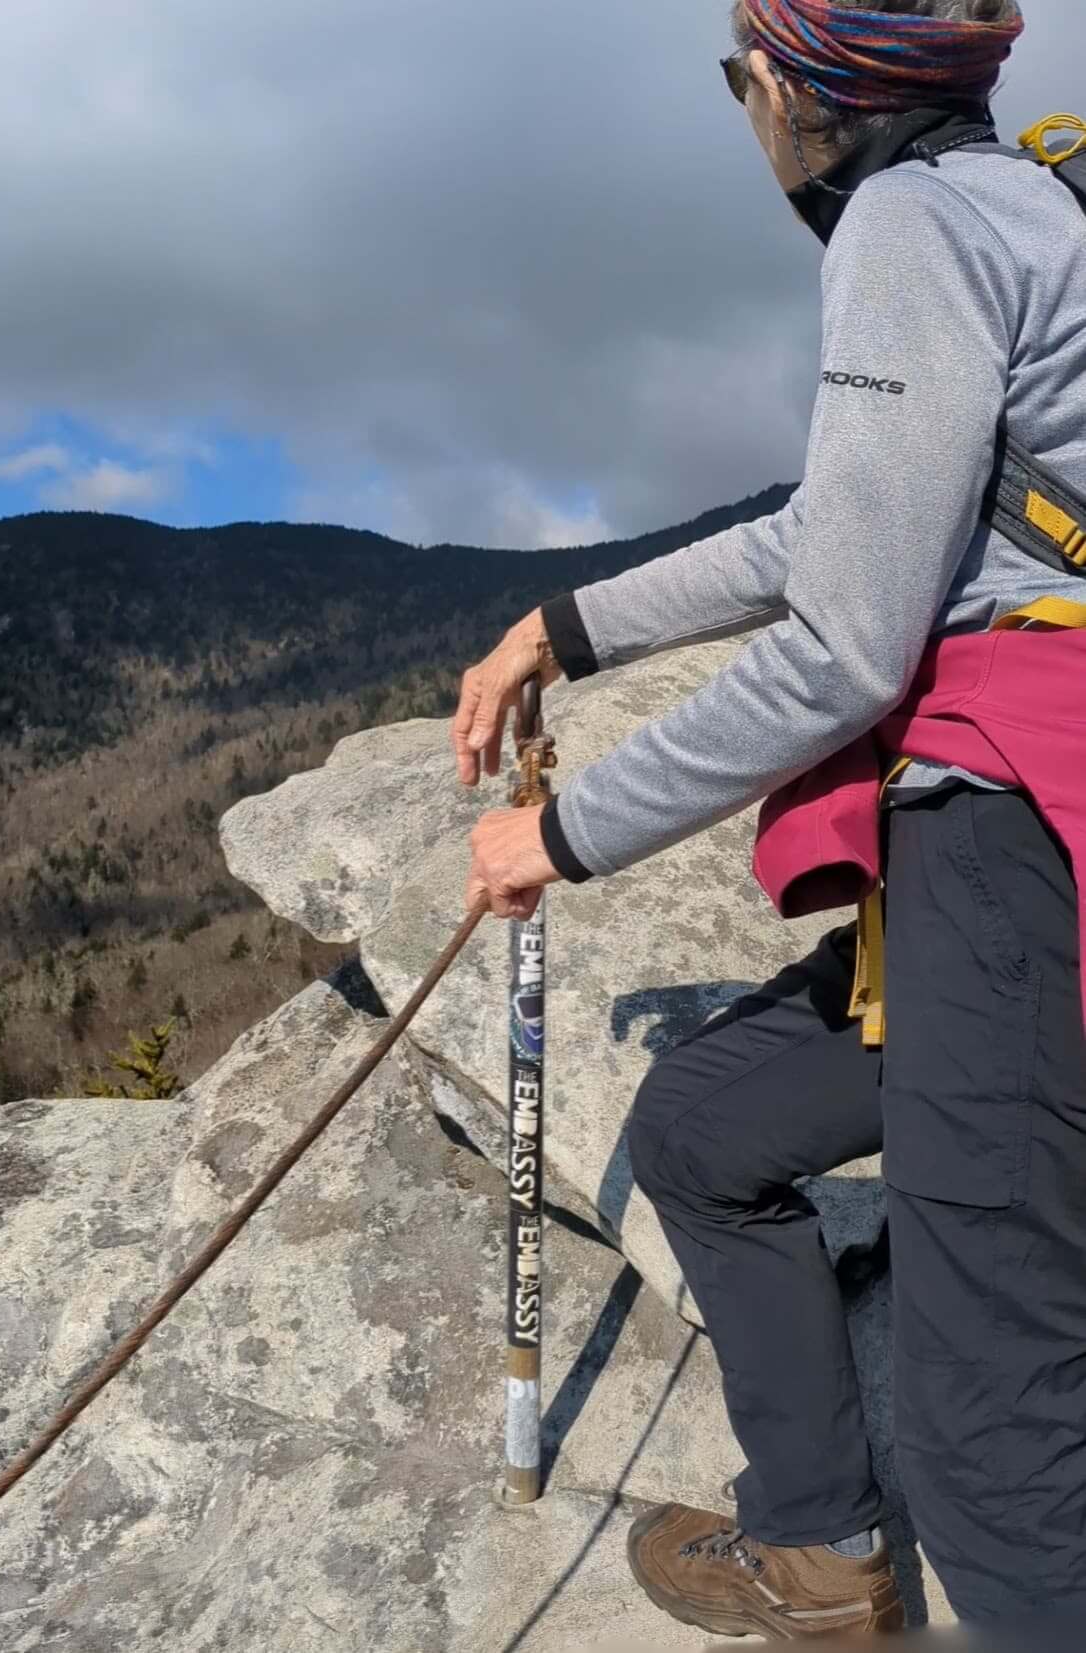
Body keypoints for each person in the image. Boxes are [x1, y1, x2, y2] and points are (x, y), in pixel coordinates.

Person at [451, 0, 1086, 1636]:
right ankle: (819, 1548)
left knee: (991, 1425)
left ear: (800, 84)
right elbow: (838, 522)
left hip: (1015, 831)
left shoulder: (910, 220)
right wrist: (563, 626)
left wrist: (566, 828)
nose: (738, 105)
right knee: (703, 1127)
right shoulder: (1021, 201)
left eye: (739, 73)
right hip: (1004, 845)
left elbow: (846, 641)